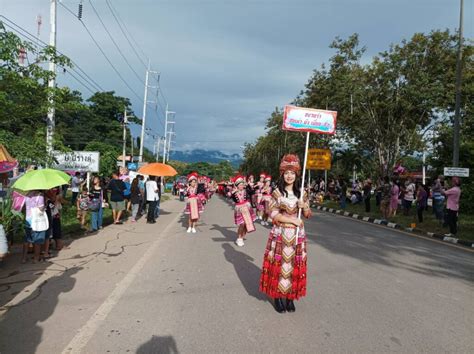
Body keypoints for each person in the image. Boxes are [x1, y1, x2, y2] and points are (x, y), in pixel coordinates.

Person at [259, 154, 311, 314]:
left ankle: (289, 297)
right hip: (281, 234)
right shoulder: (277, 193)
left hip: (297, 236)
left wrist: (305, 206)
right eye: (287, 173)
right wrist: (292, 221)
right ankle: (278, 297)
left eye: (293, 173)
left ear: (297, 175)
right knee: (280, 266)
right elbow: (272, 214)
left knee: (294, 265)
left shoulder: (302, 192)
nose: (289, 176)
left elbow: (307, 214)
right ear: (282, 174)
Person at [22, 190, 49, 263]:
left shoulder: (27, 194)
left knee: (27, 239)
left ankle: (24, 258)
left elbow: (24, 208)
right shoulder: (39, 195)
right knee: (38, 239)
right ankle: (36, 258)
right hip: (37, 220)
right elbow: (41, 208)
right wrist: (45, 204)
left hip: (28, 219)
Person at [232, 175, 256, 246]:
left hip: (247, 207)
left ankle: (242, 237)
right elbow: (232, 197)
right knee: (242, 223)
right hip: (239, 208)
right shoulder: (234, 193)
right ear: (237, 186)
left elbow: (252, 192)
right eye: (240, 185)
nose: (241, 186)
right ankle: (239, 238)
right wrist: (234, 192)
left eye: (242, 184)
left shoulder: (246, 190)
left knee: (246, 224)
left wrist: (248, 184)